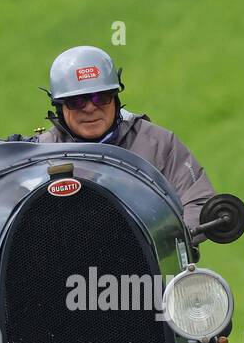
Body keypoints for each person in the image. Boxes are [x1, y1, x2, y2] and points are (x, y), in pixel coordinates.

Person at [31, 46, 215, 229]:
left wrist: (168, 237)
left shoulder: (159, 143)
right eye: (76, 101)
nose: (90, 108)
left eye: (100, 97)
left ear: (115, 99)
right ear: (59, 107)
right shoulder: (40, 155)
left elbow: (198, 200)